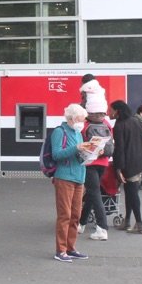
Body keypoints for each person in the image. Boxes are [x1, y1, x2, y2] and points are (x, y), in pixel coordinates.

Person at [50, 103, 92, 262]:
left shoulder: (77, 133)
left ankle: (70, 248)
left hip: (79, 177)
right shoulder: (59, 132)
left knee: (75, 215)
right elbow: (56, 154)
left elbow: (78, 154)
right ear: (72, 118)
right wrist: (76, 148)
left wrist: (91, 152)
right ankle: (60, 250)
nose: (83, 122)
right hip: (64, 177)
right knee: (65, 215)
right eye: (81, 119)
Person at [110, 99, 142, 234]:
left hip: (128, 163)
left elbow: (119, 149)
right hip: (139, 161)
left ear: (117, 111)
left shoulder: (119, 125)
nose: (109, 112)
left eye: (111, 110)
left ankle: (139, 224)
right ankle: (127, 221)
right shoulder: (136, 121)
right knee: (129, 192)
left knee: (132, 193)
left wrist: (118, 168)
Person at [77, 109, 113, 241]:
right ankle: (81, 223)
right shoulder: (106, 123)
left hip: (89, 162)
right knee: (92, 193)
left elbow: (79, 143)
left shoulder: (84, 125)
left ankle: (102, 228)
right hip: (103, 162)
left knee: (94, 193)